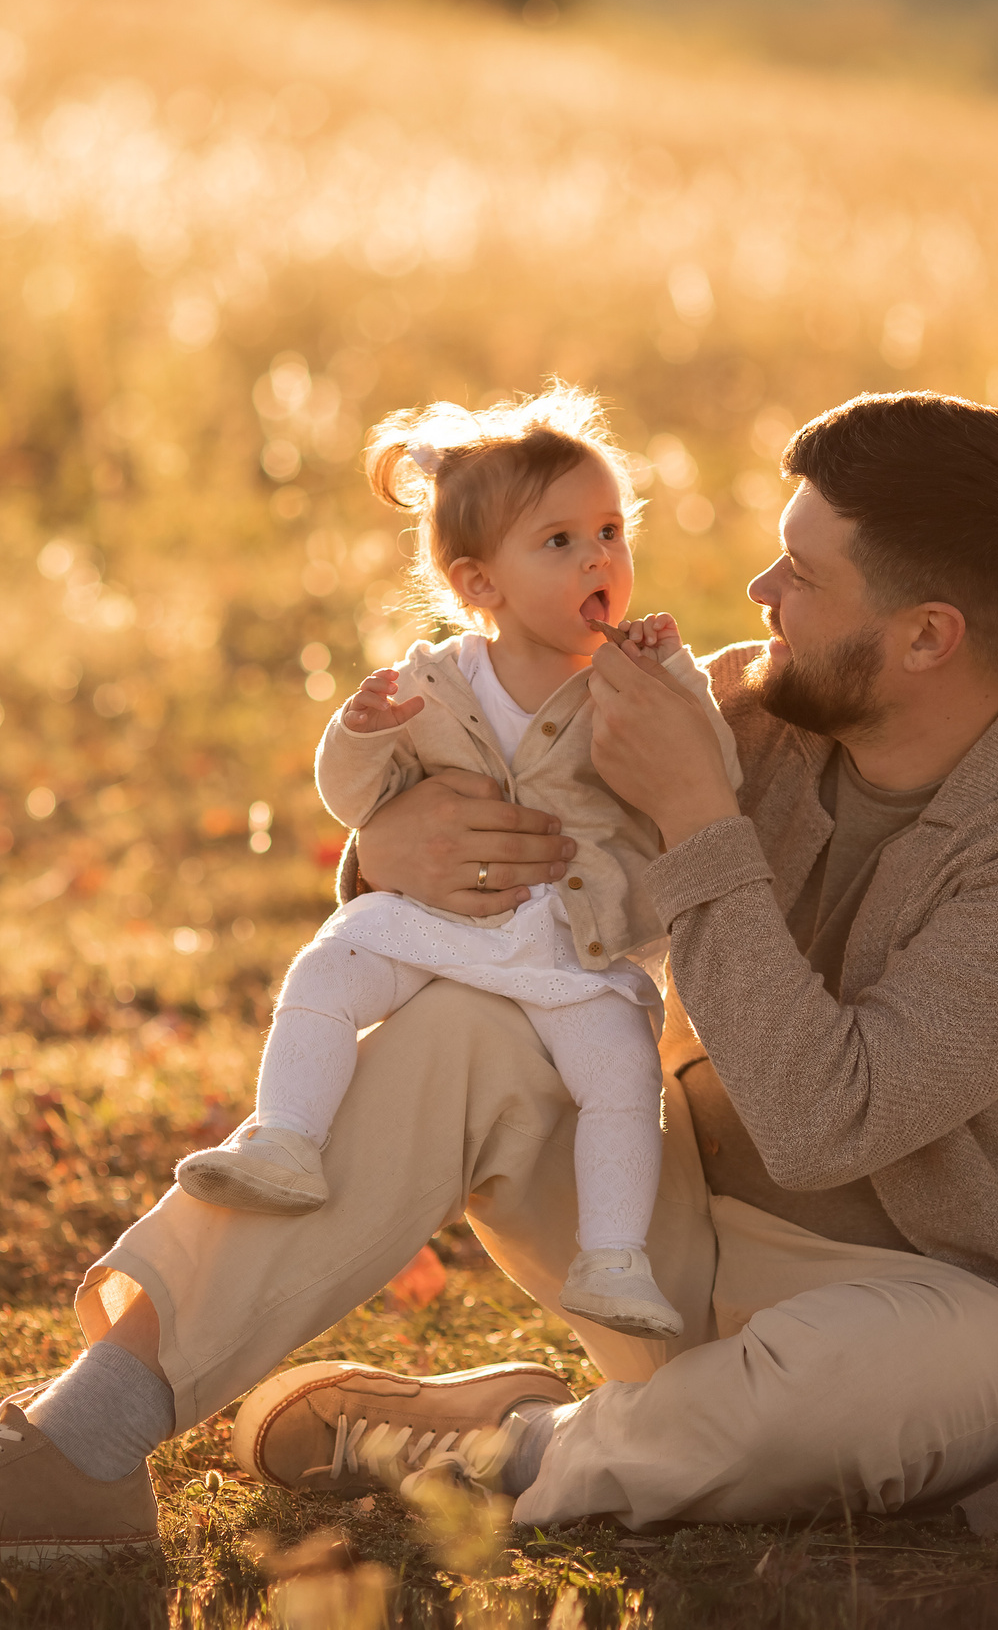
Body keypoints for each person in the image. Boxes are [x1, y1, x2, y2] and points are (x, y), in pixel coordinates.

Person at [0, 389, 998, 1577]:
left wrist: (699, 825)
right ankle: (78, 1449)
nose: (756, 595)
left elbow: (829, 1122)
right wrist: (388, 850)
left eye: (804, 576)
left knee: (813, 1411)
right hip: (683, 1241)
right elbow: (510, 838)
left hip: (965, 1311)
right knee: (465, 1019)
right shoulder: (755, 700)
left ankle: (490, 1450)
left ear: (927, 637)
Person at [171, 384, 740, 1344]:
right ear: (480, 585)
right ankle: (288, 1136)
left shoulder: (628, 685)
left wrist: (677, 684)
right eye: (559, 541)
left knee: (619, 1075)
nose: (600, 556)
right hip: (449, 925)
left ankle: (613, 1256)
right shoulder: (433, 684)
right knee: (334, 960)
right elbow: (356, 801)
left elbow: (709, 785)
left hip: (575, 944)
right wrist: (358, 733)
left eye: (611, 530)